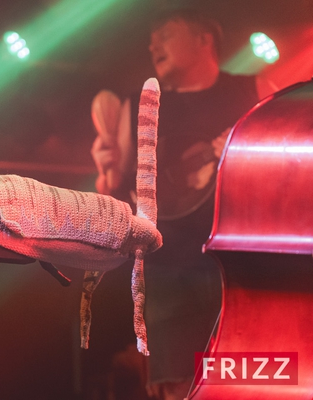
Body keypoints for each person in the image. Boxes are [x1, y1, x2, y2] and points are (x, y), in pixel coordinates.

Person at [90, 8, 277, 400]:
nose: (152, 43)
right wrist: (104, 172)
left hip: (249, 271)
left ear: (203, 38)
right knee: (179, 389)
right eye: (152, 35)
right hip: (171, 272)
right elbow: (117, 193)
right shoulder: (139, 103)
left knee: (256, 386)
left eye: (166, 33)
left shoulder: (257, 91)